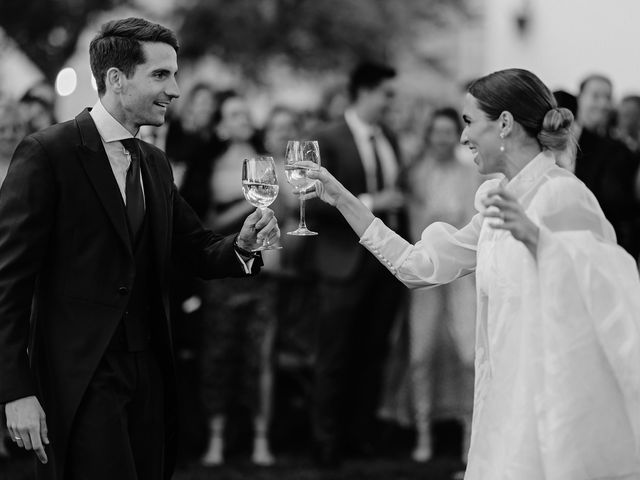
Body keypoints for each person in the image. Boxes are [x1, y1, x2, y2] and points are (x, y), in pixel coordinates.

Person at [306, 68, 640, 479]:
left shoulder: (561, 192)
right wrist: (342, 199)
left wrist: (540, 242)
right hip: (499, 395)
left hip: (544, 398)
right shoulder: (497, 202)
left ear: (503, 124)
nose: (462, 137)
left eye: (468, 122)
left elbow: (613, 280)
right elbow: (418, 267)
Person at [0, 17, 279, 480]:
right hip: (82, 375)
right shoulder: (48, 154)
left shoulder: (153, 162)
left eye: (175, 74)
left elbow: (195, 247)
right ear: (116, 79)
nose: (175, 88)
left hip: (150, 371)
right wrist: (15, 390)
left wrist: (243, 246)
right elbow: (7, 281)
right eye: (161, 74)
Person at [305, 61, 407, 467]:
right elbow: (311, 202)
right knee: (333, 356)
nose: (390, 101)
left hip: (384, 266)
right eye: (386, 93)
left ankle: (359, 436)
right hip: (340, 262)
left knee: (372, 353)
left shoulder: (391, 140)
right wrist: (370, 204)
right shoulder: (327, 138)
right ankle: (324, 444)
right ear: (364, 92)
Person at [199, 90, 278, 467]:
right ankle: (216, 439)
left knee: (258, 357)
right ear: (221, 124)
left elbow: (285, 212)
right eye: (233, 113)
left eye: (245, 111)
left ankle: (261, 440)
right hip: (224, 273)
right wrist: (249, 204)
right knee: (219, 355)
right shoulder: (210, 164)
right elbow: (207, 225)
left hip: (261, 273)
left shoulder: (268, 162)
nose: (242, 117)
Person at [574, 74, 640, 258]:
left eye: (608, 97)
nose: (602, 104)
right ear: (580, 97)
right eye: (596, 96)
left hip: (605, 248)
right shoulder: (560, 140)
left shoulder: (619, 151)